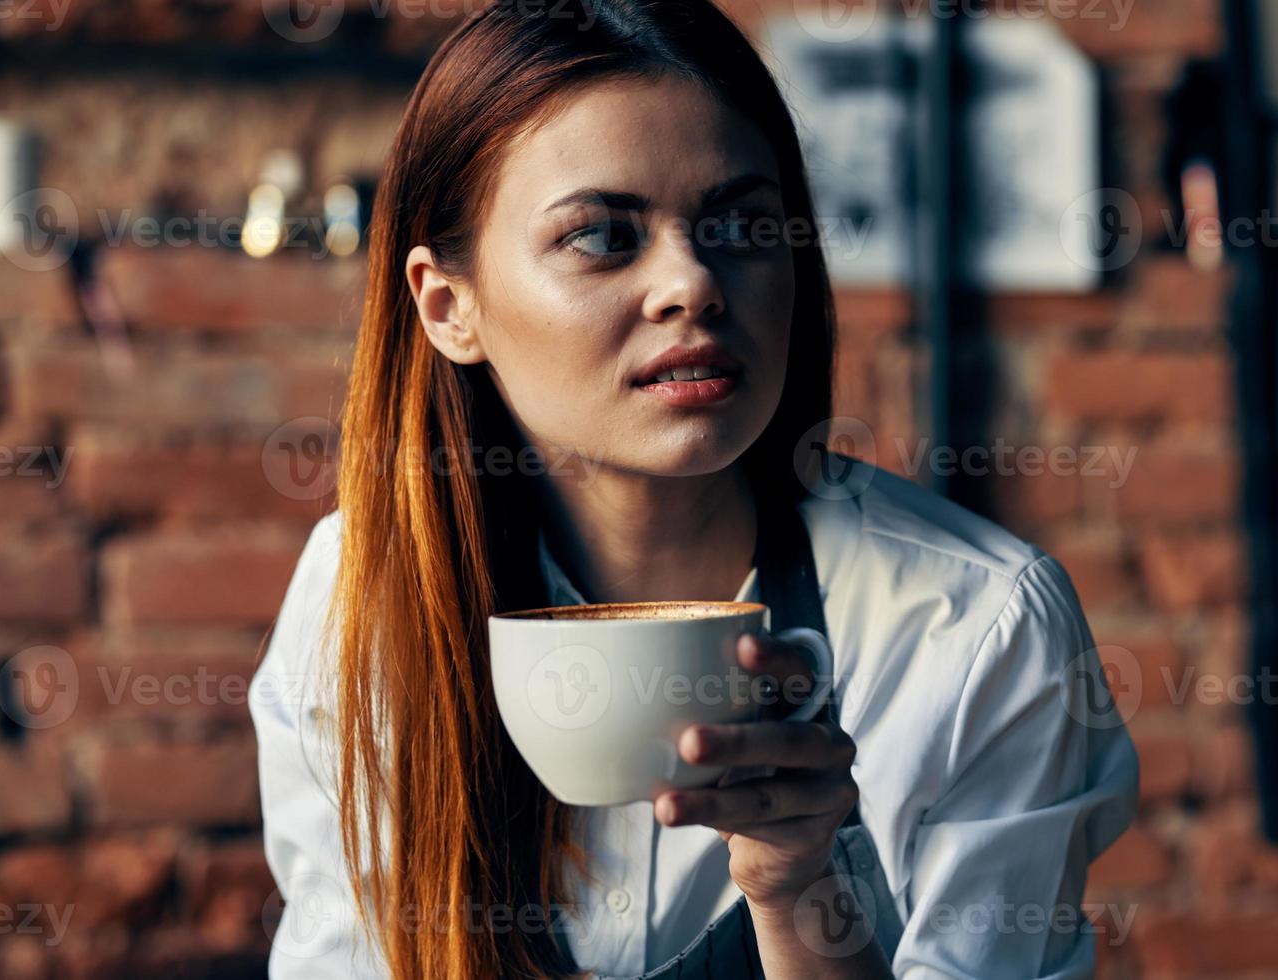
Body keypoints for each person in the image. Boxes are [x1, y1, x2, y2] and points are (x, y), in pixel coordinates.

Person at [249, 0, 1139, 977]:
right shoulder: (358, 593)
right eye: (601, 236)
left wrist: (800, 883)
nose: (692, 282)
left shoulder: (974, 627)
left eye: (743, 223)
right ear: (450, 306)